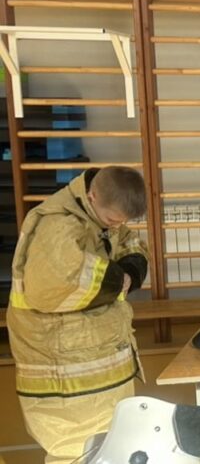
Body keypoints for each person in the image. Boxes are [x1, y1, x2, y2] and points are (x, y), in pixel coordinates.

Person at [7, 166, 149, 463]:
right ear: (92, 195)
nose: (117, 225)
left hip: (96, 365)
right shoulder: (56, 226)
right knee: (76, 452)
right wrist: (117, 279)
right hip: (65, 378)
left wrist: (132, 271)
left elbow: (129, 242)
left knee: (110, 446)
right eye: (113, 220)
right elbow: (58, 282)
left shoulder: (98, 213)